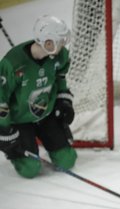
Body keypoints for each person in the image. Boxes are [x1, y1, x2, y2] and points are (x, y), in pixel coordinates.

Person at [0, 15, 77, 178]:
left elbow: (60, 77)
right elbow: (1, 97)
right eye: (60, 41)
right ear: (48, 43)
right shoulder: (11, 64)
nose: (63, 44)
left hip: (45, 114)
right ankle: (20, 151)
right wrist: (4, 129)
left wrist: (63, 101)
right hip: (19, 121)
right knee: (30, 169)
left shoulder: (60, 56)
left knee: (67, 160)